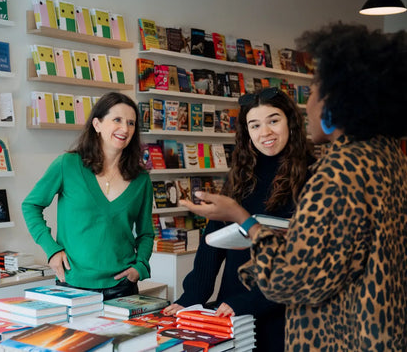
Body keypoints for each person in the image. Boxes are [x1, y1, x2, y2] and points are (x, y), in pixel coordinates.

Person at [180, 22, 407, 351]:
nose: (309, 101)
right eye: (254, 125)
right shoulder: (388, 159)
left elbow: (293, 278)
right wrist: (192, 301)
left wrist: (245, 220)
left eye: (314, 89)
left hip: (328, 332)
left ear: (334, 99)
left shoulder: (338, 171)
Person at [163, 87, 315, 352]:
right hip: (233, 315)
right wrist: (192, 298)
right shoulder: (241, 176)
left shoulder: (313, 176)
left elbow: (308, 260)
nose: (265, 132)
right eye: (254, 125)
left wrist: (251, 302)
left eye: (273, 120)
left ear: (291, 121)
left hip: (287, 317)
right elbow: (212, 243)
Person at [22, 92, 154, 300]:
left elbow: (146, 233)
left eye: (131, 123)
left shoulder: (141, 179)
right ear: (97, 124)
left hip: (122, 287)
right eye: (117, 120)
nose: (125, 128)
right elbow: (31, 206)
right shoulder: (67, 165)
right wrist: (52, 250)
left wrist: (140, 266)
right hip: (72, 284)